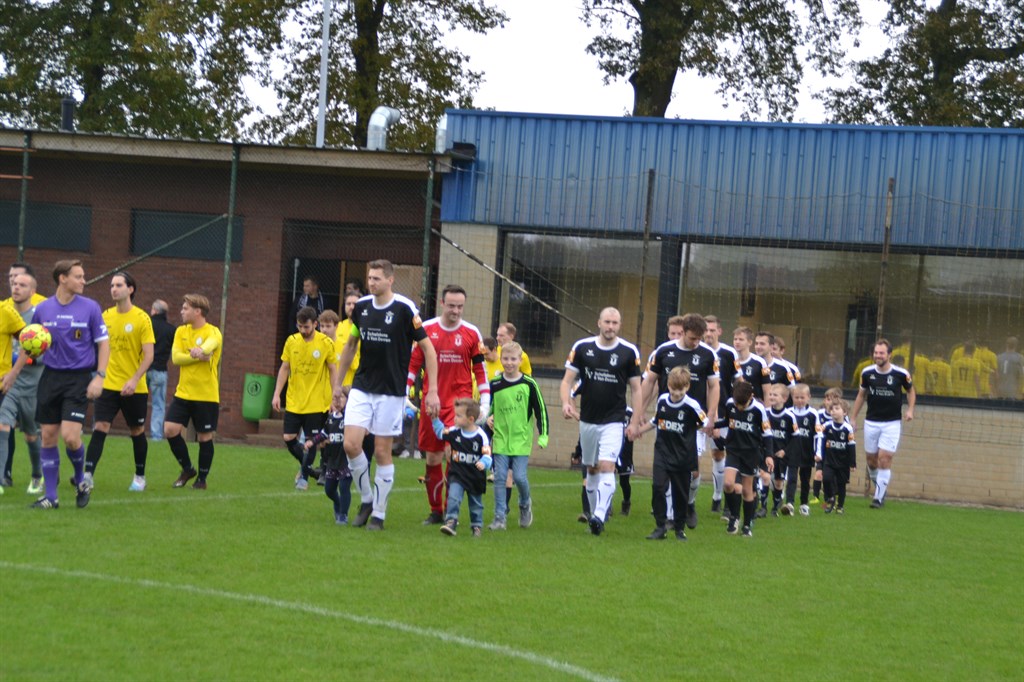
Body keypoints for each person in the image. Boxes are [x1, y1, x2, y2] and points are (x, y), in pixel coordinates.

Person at [332, 259, 440, 530]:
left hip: (391, 391)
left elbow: (428, 349)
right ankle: (367, 500)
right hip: (362, 386)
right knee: (350, 445)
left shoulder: (405, 309)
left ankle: (379, 514)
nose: (371, 283)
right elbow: (351, 345)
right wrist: (337, 385)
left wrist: (432, 390)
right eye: (370, 278)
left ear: (390, 280)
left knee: (382, 451)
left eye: (377, 278)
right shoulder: (362, 307)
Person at [22, 260, 109, 509]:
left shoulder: (91, 308)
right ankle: (51, 497)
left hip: (78, 379)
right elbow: (32, 343)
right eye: (78, 276)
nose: (84, 281)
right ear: (62, 278)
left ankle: (80, 480)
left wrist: (99, 376)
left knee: (71, 437)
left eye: (83, 276)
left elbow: (104, 343)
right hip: (50, 377)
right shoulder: (42, 310)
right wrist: (29, 354)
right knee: (48, 436)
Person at [407, 284, 490, 525]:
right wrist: (405, 394)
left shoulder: (472, 333)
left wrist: (485, 403)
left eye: (460, 306)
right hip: (432, 404)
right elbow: (413, 364)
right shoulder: (427, 329)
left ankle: (451, 512)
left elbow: (480, 371)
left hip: (460, 406)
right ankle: (436, 511)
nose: (456, 310)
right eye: (452, 305)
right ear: (442, 303)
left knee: (452, 455)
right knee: (433, 459)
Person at [560, 307, 643, 536]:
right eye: (607, 322)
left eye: (615, 323)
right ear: (599, 323)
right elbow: (567, 381)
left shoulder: (628, 351)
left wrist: (635, 422)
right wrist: (566, 402)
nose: (610, 327)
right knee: (592, 468)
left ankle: (598, 515)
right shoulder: (582, 347)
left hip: (614, 420)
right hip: (588, 419)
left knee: (607, 466)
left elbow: (637, 389)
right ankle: (595, 515)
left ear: (620, 325)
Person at [633, 312, 719, 530]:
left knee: (693, 471)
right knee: (670, 467)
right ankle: (671, 517)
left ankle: (689, 503)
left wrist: (711, 414)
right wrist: (638, 412)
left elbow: (714, 386)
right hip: (668, 419)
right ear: (683, 332)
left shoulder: (708, 354)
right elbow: (649, 382)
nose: (696, 342)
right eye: (692, 338)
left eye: (699, 339)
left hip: (694, 422)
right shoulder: (663, 352)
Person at [84, 272, 155, 492]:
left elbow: (149, 355)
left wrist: (134, 379)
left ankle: (140, 477)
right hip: (108, 384)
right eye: (112, 285)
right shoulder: (105, 316)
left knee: (137, 430)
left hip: (134, 388)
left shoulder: (142, 318)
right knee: (100, 426)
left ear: (130, 289)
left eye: (119, 285)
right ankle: (87, 475)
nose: (114, 289)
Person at [272, 306, 339, 489]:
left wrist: (334, 396)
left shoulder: (325, 343)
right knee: (288, 437)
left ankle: (303, 478)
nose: (302, 330)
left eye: (306, 327)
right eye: (300, 326)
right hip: (294, 400)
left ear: (315, 324)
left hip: (316, 403)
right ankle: (309, 470)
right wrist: (277, 394)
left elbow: (333, 370)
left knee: (311, 442)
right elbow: (284, 368)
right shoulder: (291, 341)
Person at [640, 366, 708, 541]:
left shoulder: (692, 405)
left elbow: (705, 423)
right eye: (673, 389)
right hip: (662, 451)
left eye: (680, 390)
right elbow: (656, 420)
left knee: (680, 494)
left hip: (683, 455)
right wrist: (639, 430)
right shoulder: (662, 400)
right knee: (658, 487)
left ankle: (679, 529)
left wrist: (690, 430)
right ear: (668, 385)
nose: (676, 393)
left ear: (687, 387)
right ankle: (660, 526)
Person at [487, 342, 549, 530]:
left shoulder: (529, 384)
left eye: (513, 359)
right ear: (501, 359)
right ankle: (499, 518)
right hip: (500, 438)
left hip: (521, 440)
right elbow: (487, 406)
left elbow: (541, 410)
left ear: (520, 360)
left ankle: (524, 504)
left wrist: (543, 435)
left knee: (520, 477)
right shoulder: (495, 384)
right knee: (500, 477)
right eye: (505, 359)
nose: (509, 363)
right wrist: (487, 418)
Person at [165, 294, 223, 490]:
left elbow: (210, 345)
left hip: (206, 395)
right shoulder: (181, 331)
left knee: (204, 437)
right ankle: (188, 469)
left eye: (185, 308)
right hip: (183, 393)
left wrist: (202, 350)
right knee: (170, 429)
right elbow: (176, 358)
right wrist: (198, 356)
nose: (181, 311)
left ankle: (202, 480)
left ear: (198, 311)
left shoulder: (213, 331)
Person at [850, 339, 916, 509]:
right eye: (876, 353)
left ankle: (878, 498)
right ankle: (881, 489)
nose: (878, 356)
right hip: (871, 422)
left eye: (881, 353)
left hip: (892, 423)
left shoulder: (901, 374)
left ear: (889, 355)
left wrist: (910, 410)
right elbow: (861, 395)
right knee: (872, 461)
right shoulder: (867, 373)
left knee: (884, 459)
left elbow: (910, 391)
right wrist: (853, 418)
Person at [1, 262, 46, 488]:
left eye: (21, 283)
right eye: (13, 282)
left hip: (32, 383)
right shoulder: (4, 310)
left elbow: (46, 352)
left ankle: (38, 475)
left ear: (32, 290)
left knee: (31, 434)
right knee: (2, 425)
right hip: (8, 383)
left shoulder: (41, 315)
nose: (15, 286)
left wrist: (23, 359)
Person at [716, 380, 774, 537]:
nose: (739, 407)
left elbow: (767, 433)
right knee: (729, 484)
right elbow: (727, 421)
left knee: (747, 490)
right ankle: (734, 517)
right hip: (733, 450)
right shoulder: (730, 404)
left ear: (751, 397)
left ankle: (747, 526)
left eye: (743, 404)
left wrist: (769, 455)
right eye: (737, 404)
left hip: (751, 453)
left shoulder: (758, 409)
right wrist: (712, 426)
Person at [433, 398, 492, 538]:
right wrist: (434, 419)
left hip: (475, 477)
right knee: (453, 497)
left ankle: (476, 526)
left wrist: (484, 462)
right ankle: (451, 522)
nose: (455, 418)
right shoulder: (454, 431)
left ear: (471, 419)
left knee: (476, 504)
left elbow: (488, 455)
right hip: (457, 475)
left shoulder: (481, 436)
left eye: (459, 416)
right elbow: (441, 433)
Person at [305, 387, 353, 525]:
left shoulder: (349, 418)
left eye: (341, 398)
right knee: (329, 489)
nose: (337, 401)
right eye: (335, 398)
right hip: (332, 459)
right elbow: (324, 434)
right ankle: (338, 503)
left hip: (346, 460)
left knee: (344, 487)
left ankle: (343, 515)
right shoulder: (331, 418)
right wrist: (312, 442)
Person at [704, 315, 736, 517]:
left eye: (712, 330)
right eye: (706, 330)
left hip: (723, 411)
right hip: (699, 412)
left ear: (719, 331)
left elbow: (738, 381)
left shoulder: (729, 353)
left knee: (720, 454)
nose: (708, 334)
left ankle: (719, 496)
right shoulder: (698, 351)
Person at [781, 383, 822, 516]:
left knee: (805, 480)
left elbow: (818, 435)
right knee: (791, 478)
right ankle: (790, 503)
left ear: (808, 397)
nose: (799, 400)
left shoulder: (813, 414)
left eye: (802, 397)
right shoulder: (788, 413)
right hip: (792, 452)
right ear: (792, 397)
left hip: (807, 452)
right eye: (796, 397)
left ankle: (804, 504)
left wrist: (818, 452)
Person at [818, 399, 856, 514]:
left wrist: (852, 463)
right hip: (829, 461)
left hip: (843, 462)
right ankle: (831, 497)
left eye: (837, 409)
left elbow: (851, 446)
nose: (833, 411)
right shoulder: (826, 426)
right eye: (832, 409)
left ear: (844, 412)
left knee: (841, 485)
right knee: (826, 479)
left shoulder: (848, 428)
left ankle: (840, 506)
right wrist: (819, 455)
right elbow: (820, 440)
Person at [147, 299, 175, 441]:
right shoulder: (171, 330)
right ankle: (156, 436)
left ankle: (136, 429)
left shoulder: (146, 325)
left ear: (155, 310)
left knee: (137, 402)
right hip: (160, 371)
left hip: (142, 370)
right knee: (158, 405)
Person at [765, 384, 793, 517]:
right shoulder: (765, 413)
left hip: (781, 455)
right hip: (767, 453)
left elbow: (794, 438)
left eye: (775, 395)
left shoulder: (789, 416)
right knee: (764, 477)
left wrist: (785, 451)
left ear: (784, 398)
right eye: (770, 394)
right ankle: (763, 507)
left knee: (778, 482)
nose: (771, 397)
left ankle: (775, 507)